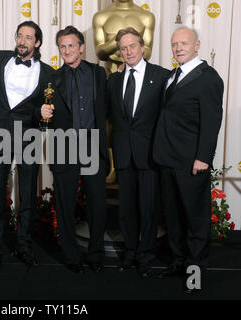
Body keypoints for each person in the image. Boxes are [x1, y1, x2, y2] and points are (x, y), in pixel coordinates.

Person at [0, 21, 54, 275]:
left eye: (28, 37)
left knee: (27, 193)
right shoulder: (0, 59)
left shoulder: (48, 72)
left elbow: (43, 107)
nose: (22, 41)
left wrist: (40, 112)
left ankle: (24, 245)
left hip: (29, 134)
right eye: (19, 35)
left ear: (38, 43)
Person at [153, 27, 224, 294]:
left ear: (197, 45)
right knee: (173, 218)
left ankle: (194, 273)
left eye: (184, 43)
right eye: (174, 44)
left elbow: (211, 122)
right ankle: (178, 263)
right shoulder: (173, 74)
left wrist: (203, 158)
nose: (178, 48)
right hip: (167, 159)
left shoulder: (209, 78)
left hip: (191, 162)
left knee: (195, 221)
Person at [41, 26, 109, 274]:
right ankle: (71, 255)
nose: (67, 50)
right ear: (58, 49)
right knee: (65, 204)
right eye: (62, 46)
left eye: (71, 45)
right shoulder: (52, 78)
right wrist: (42, 113)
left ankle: (96, 253)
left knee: (97, 205)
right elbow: (40, 112)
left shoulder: (98, 74)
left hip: (92, 144)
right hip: (64, 145)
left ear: (82, 47)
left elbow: (109, 107)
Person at [107, 27, 169, 278]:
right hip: (122, 154)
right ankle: (130, 252)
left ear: (142, 47)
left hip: (149, 154)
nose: (128, 51)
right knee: (126, 208)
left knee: (149, 208)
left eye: (132, 46)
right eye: (123, 48)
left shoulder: (162, 76)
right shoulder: (113, 80)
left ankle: (146, 255)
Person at [93, 0, 155, 75]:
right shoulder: (100, 16)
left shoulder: (147, 17)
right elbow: (99, 53)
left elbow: (147, 51)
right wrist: (118, 41)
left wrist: (128, 64)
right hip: (110, 73)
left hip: (137, 74)